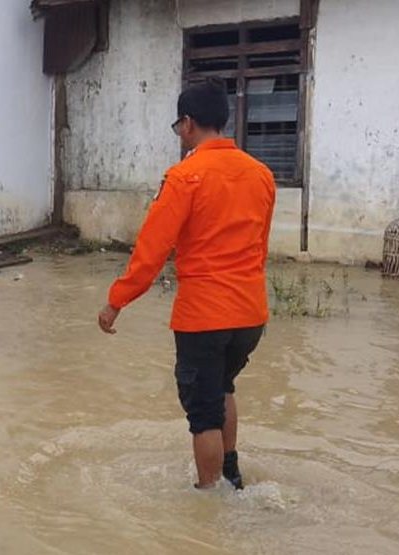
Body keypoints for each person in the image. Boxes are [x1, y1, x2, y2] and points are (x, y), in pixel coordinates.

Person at [97, 80, 277, 490]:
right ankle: (231, 473)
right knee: (223, 387)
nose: (179, 133)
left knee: (203, 414)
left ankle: (209, 500)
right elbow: (260, 247)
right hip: (250, 315)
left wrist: (115, 302)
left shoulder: (184, 177)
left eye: (178, 125)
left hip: (204, 317)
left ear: (189, 124)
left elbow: (151, 251)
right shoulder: (262, 175)